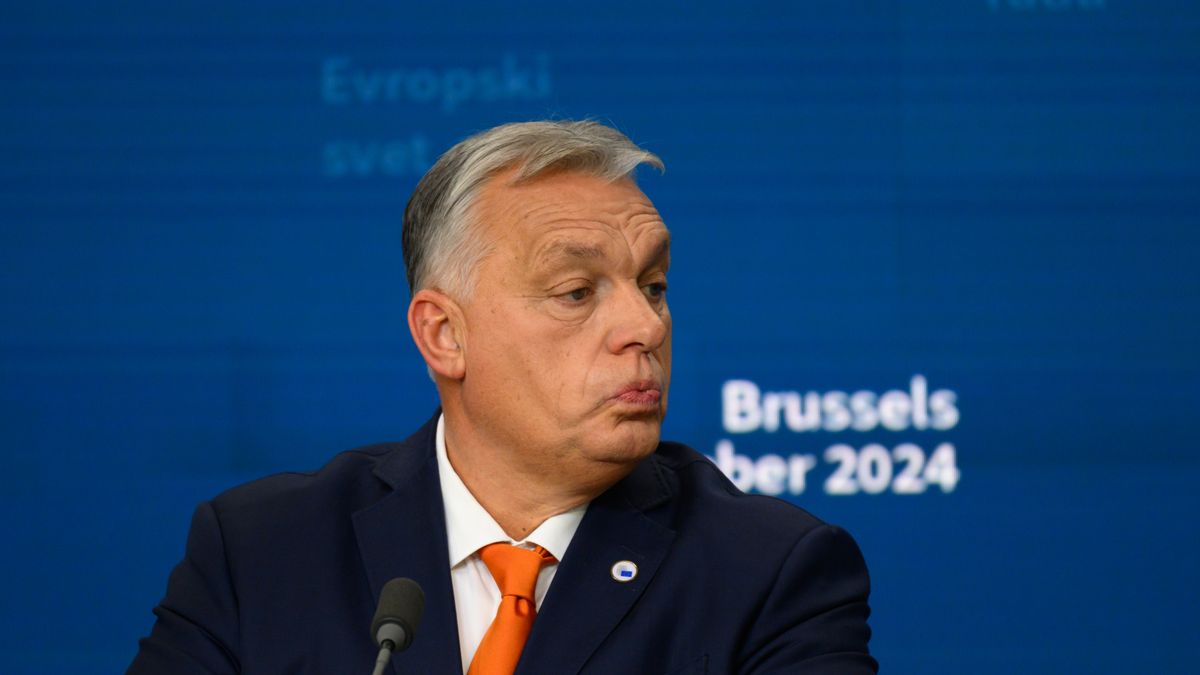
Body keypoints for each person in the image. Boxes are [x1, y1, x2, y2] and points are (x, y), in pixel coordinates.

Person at [128, 120, 877, 674]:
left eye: (653, 286)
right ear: (445, 335)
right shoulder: (261, 552)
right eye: (576, 291)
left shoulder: (770, 571)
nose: (646, 326)